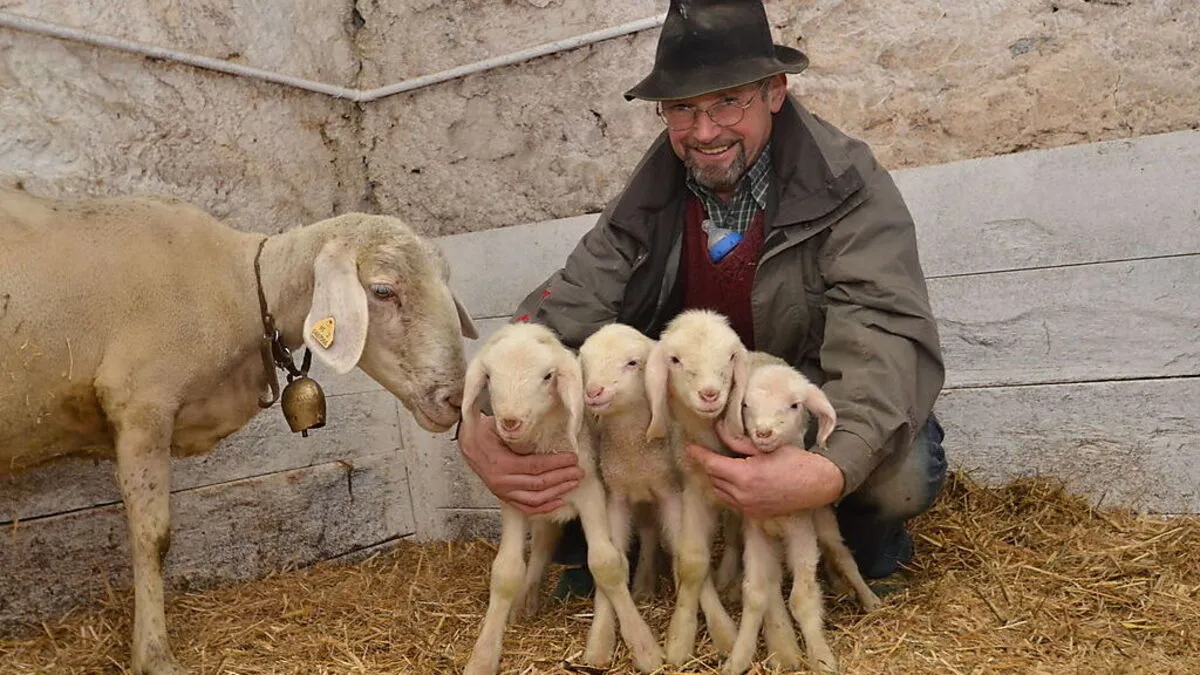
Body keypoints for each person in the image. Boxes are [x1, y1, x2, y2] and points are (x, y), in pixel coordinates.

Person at [457, 0, 947, 599]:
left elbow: (883, 333)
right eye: (683, 109)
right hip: (686, 403)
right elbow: (575, 297)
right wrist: (476, 417)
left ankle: (862, 542)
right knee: (575, 411)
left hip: (785, 405)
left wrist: (827, 467)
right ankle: (614, 552)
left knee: (902, 475)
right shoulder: (651, 196)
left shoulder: (847, 188)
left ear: (775, 91)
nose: (705, 131)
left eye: (727, 101)